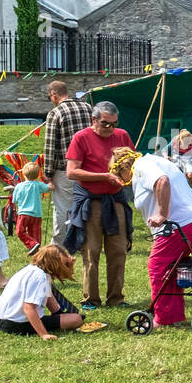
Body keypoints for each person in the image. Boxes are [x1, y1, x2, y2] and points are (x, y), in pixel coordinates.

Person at [112, 147, 192, 328]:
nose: (123, 181)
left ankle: (162, 318)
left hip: (180, 223)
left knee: (157, 265)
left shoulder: (141, 167)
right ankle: (174, 316)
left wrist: (162, 214)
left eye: (120, 176)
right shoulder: (154, 160)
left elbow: (162, 181)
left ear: (124, 168)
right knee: (169, 268)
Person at [64, 100, 134, 311]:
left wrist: (126, 171)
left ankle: (116, 298)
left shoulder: (122, 136)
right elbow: (71, 172)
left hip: (115, 200)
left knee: (118, 251)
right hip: (91, 200)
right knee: (91, 252)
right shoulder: (81, 138)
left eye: (113, 123)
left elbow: (131, 163)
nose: (110, 128)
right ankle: (91, 300)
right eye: (105, 123)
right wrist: (104, 176)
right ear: (93, 120)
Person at [43, 80, 93, 246]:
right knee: (85, 205)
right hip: (88, 169)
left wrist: (48, 174)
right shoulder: (88, 108)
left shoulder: (55, 113)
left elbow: (50, 146)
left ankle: (59, 244)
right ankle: (83, 240)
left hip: (65, 169)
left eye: (50, 97)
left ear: (54, 95)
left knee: (63, 209)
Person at [0, 244, 84, 339]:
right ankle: (48, 325)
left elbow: (47, 293)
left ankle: (57, 312)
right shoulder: (39, 277)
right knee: (76, 319)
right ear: (55, 264)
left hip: (1, 317)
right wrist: (44, 334)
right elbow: (28, 308)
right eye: (65, 263)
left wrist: (58, 313)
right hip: (13, 324)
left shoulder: (34, 270)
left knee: (48, 288)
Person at [12, 162, 53, 252]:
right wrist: (47, 180)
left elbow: (14, 200)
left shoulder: (19, 186)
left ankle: (32, 244)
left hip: (24, 214)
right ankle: (37, 252)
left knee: (20, 232)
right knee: (35, 234)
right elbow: (51, 187)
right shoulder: (38, 185)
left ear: (23, 173)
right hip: (37, 215)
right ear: (37, 174)